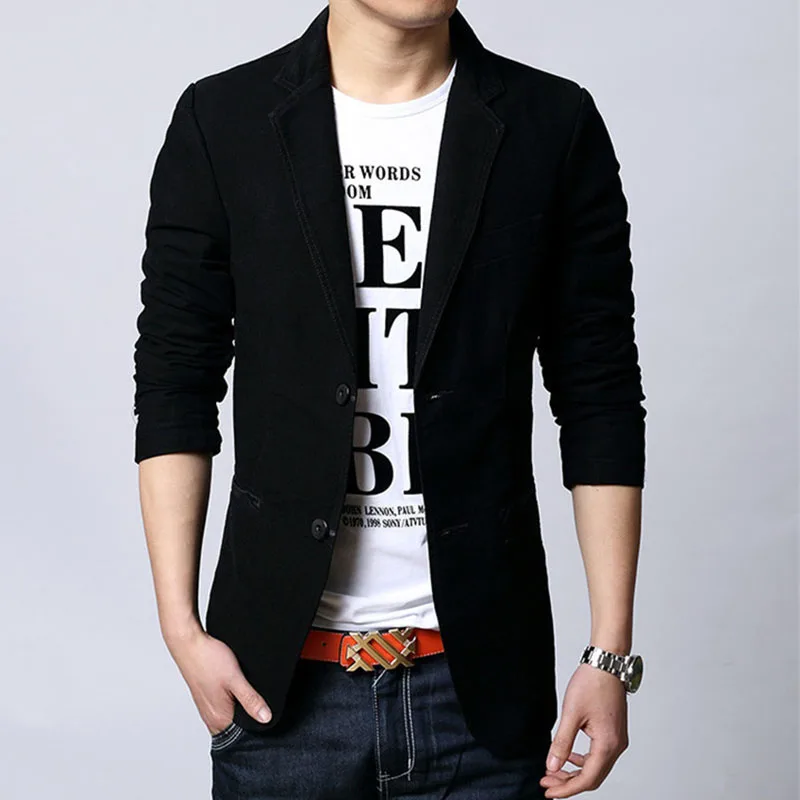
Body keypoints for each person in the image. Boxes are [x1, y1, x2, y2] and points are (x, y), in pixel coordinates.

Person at [133, 2, 647, 798]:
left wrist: (608, 652)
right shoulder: (223, 119)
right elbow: (176, 378)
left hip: (480, 698)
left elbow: (598, 390)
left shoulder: (552, 124)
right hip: (280, 696)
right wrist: (180, 627)